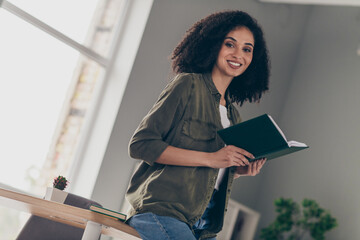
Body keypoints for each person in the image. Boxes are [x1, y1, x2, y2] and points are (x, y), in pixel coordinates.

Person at [126, 10, 270, 240]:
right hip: (161, 212)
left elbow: (211, 171)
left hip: (203, 225)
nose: (238, 54)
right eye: (230, 44)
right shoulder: (187, 85)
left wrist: (236, 170)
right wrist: (212, 158)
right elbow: (141, 145)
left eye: (247, 49)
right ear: (214, 44)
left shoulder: (234, 116)